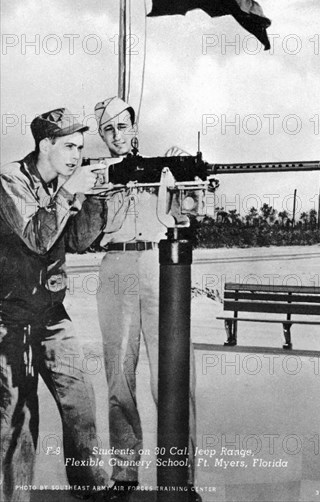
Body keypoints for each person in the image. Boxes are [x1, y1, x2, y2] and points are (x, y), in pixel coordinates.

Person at [94, 97, 201, 501]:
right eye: (108, 130)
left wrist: (182, 169)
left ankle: (180, 478)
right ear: (102, 136)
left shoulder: (162, 167)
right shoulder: (97, 174)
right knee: (118, 374)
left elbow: (189, 213)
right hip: (115, 267)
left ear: (134, 128)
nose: (117, 136)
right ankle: (124, 473)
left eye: (123, 127)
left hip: (161, 266)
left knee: (173, 375)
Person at [0, 108, 109, 502]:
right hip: (10, 317)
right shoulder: (10, 179)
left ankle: (91, 490)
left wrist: (94, 199)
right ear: (45, 144)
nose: (77, 156)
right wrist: (68, 193)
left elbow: (78, 241)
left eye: (80, 148)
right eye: (69, 146)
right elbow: (36, 237)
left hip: (51, 315)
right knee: (19, 418)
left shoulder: (63, 184)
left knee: (80, 401)